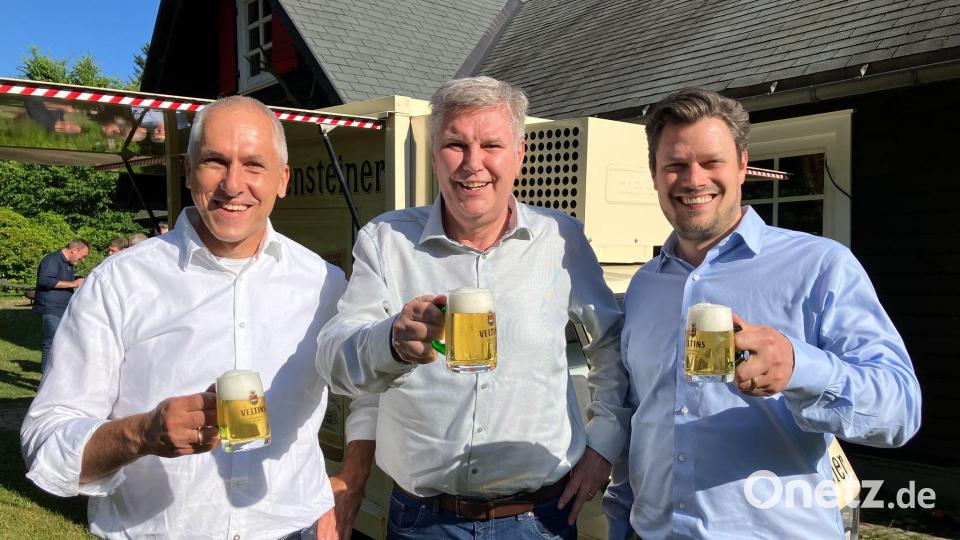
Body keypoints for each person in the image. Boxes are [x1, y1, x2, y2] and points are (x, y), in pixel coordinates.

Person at [316, 76, 628, 539]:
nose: (473, 164)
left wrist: (603, 447)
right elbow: (333, 359)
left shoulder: (560, 239)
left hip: (540, 520)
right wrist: (391, 343)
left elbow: (611, 346)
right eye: (456, 144)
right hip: (424, 521)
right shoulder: (386, 242)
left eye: (491, 145)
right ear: (434, 152)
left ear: (519, 154)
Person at [21, 95, 347, 539]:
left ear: (283, 179)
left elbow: (367, 392)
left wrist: (344, 488)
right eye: (215, 161)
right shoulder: (120, 281)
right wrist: (140, 434)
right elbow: (47, 437)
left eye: (254, 165)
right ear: (188, 169)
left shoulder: (324, 283)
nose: (233, 185)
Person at [617, 87, 921, 539]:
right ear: (655, 175)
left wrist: (801, 368)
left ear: (742, 165)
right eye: (676, 165)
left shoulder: (820, 266)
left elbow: (901, 411)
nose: (693, 180)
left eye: (711, 162)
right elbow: (642, 417)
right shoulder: (645, 286)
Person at [33, 239, 88, 373]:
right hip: (51, 309)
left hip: (61, 309)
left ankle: (57, 377)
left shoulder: (67, 264)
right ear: (74, 250)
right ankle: (46, 383)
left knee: (61, 344)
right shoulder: (52, 260)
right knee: (52, 344)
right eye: (83, 255)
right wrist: (73, 284)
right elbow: (45, 281)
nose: (83, 259)